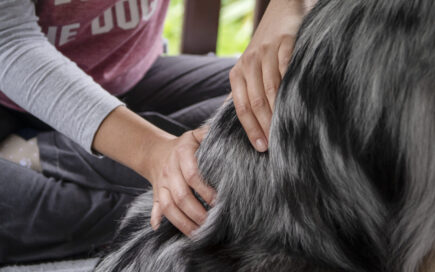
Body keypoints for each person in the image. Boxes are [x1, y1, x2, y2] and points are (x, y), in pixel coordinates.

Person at [0, 0, 313, 263]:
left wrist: (286, 8)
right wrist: (151, 152)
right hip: (9, 92)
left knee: (293, 103)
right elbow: (8, 40)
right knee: (213, 195)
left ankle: (51, 153)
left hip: (128, 82)